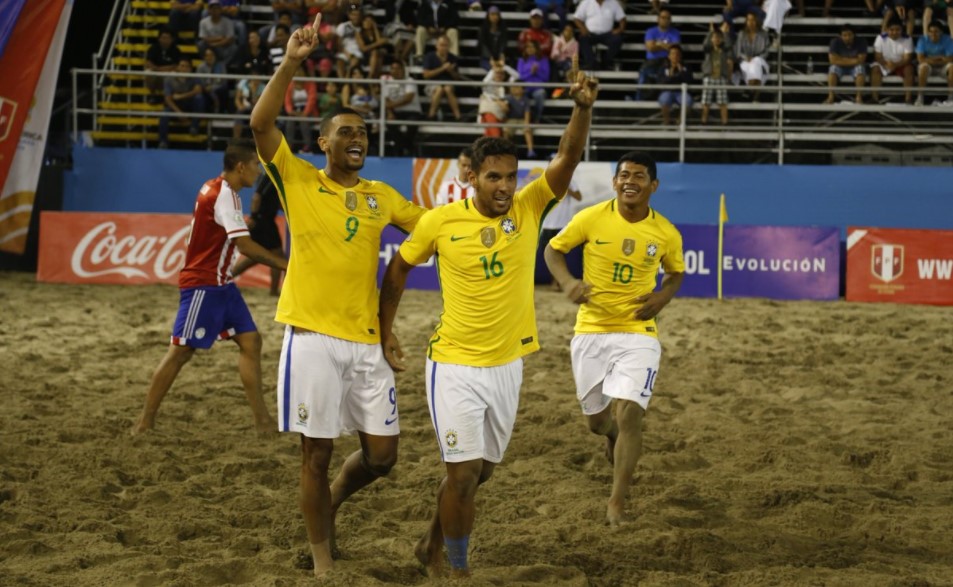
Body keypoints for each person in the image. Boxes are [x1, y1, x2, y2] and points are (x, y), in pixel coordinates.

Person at [377, 66, 599, 579]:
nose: (504, 186)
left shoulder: (529, 207)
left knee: (482, 473)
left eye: (510, 176)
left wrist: (581, 108)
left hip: (508, 365)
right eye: (493, 177)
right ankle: (456, 569)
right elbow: (398, 269)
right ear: (470, 178)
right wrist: (384, 331)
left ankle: (430, 542)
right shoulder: (440, 221)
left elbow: (567, 158)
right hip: (453, 364)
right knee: (461, 476)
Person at [249, 13, 426, 578]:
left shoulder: (382, 195)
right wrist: (291, 62)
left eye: (363, 133)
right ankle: (323, 559)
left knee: (383, 457)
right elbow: (260, 123)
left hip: (367, 341)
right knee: (316, 452)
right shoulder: (298, 178)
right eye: (345, 132)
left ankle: (331, 504)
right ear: (322, 142)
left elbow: (433, 228)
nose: (357, 138)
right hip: (313, 339)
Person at [543, 150, 685, 526]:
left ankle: (617, 502)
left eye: (638, 176)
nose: (629, 182)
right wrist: (568, 282)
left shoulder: (666, 232)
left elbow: (675, 273)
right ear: (614, 182)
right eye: (624, 175)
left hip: (639, 332)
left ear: (653, 185)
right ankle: (610, 435)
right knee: (597, 423)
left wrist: (662, 297)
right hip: (591, 330)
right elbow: (553, 250)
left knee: (631, 413)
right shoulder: (591, 217)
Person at [131, 139, 289, 436]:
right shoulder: (225, 196)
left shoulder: (213, 187)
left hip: (221, 284)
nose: (257, 171)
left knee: (251, 342)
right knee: (180, 352)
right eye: (255, 165)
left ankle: (263, 422)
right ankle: (144, 422)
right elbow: (246, 246)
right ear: (240, 167)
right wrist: (287, 266)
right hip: (204, 286)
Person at [232, 174, 286, 296]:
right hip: (263, 221)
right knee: (277, 255)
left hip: (265, 220)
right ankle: (274, 291)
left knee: (255, 256)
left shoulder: (275, 178)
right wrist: (254, 217)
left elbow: (274, 200)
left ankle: (227, 278)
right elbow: (257, 196)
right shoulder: (270, 176)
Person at [637, 8, 681, 101]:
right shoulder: (650, 31)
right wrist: (666, 45)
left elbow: (674, 48)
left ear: (670, 20)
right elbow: (650, 48)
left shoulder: (675, 32)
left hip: (668, 61)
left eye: (668, 18)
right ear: (658, 19)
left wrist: (658, 44)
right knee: (643, 75)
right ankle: (638, 101)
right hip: (652, 61)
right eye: (663, 17)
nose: (665, 20)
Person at [159, 58, 204, 149]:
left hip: (189, 105)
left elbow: (198, 90)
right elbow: (168, 99)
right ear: (178, 67)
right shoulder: (169, 79)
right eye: (182, 66)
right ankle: (163, 141)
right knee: (164, 113)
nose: (184, 68)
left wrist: (181, 96)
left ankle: (194, 127)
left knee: (199, 98)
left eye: (187, 66)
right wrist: (178, 112)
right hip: (175, 106)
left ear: (190, 69)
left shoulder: (195, 77)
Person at [382, 59, 424, 156]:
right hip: (396, 112)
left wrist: (391, 105)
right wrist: (390, 112)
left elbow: (408, 98)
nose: (395, 71)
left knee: (412, 124)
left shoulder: (410, 81)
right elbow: (386, 99)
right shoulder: (387, 82)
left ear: (403, 70)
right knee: (390, 123)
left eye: (398, 68)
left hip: (412, 111)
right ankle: (406, 148)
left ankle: (402, 148)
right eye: (393, 68)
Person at [573, 0, 626, 71]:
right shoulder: (586, 2)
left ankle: (605, 62)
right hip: (590, 34)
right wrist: (582, 28)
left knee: (618, 39)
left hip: (607, 34)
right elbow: (576, 18)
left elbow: (622, 18)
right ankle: (592, 63)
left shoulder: (613, 2)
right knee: (582, 39)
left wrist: (620, 29)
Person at [871, 19, 914, 104]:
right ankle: (874, 99)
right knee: (875, 69)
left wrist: (895, 65)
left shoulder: (907, 38)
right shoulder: (880, 38)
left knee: (909, 69)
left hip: (901, 64)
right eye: (892, 30)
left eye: (897, 30)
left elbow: (907, 58)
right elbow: (878, 56)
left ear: (902, 30)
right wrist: (886, 64)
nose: (894, 32)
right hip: (885, 63)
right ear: (887, 30)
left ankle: (908, 99)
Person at [422, 35, 464, 121]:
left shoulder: (452, 58)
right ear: (436, 45)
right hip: (433, 84)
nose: (443, 48)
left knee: (447, 88)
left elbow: (457, 78)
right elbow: (426, 75)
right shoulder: (429, 56)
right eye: (441, 45)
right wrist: (442, 68)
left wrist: (451, 71)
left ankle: (458, 116)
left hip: (449, 84)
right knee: (439, 89)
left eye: (446, 45)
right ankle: (431, 115)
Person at [825, 24, 868, 104]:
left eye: (849, 35)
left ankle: (858, 97)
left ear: (854, 35)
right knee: (833, 69)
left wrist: (841, 59)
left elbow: (861, 60)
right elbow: (832, 61)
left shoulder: (861, 41)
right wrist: (853, 59)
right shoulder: (835, 42)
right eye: (844, 35)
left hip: (854, 67)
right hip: (841, 66)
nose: (847, 37)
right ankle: (831, 96)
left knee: (860, 69)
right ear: (840, 36)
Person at [700, 24, 733, 124]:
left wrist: (725, 33)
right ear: (711, 39)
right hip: (709, 77)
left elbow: (729, 45)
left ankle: (725, 124)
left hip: (721, 77)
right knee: (706, 103)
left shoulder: (725, 50)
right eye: (714, 37)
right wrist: (710, 31)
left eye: (719, 37)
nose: (716, 39)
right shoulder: (708, 49)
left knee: (723, 103)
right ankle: (703, 123)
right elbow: (705, 43)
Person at [914, 21, 953, 106]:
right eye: (931, 31)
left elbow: (950, 59)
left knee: (952, 67)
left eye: (936, 31)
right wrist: (940, 58)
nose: (933, 34)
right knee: (923, 67)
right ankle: (920, 97)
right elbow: (920, 59)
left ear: (941, 32)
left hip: (942, 67)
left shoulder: (948, 39)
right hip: (929, 66)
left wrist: (929, 59)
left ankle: (951, 97)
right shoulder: (922, 40)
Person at [735, 11, 771, 102]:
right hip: (745, 61)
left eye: (753, 20)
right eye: (748, 20)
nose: (751, 22)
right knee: (753, 69)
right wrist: (746, 57)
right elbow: (738, 52)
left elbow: (766, 51)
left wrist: (755, 59)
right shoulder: (741, 34)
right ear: (746, 22)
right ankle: (755, 97)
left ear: (757, 21)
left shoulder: (763, 34)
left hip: (760, 60)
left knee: (756, 62)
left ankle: (749, 92)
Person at [478, 58, 518, 137]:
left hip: (502, 114)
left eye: (501, 73)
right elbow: (485, 83)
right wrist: (494, 68)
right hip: (490, 112)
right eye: (497, 73)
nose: (499, 75)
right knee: (496, 135)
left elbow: (517, 76)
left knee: (489, 135)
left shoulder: (507, 84)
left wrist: (504, 66)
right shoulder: (489, 84)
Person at [657, 45, 693, 125]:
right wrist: (670, 75)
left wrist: (681, 72)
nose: (675, 56)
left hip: (681, 92)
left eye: (677, 54)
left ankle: (679, 122)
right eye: (673, 54)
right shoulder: (664, 67)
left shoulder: (686, 67)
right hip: (667, 91)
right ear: (669, 56)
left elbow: (689, 80)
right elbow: (661, 82)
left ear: (680, 56)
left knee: (688, 100)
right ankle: (667, 122)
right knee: (664, 100)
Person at [518, 40, 551, 123]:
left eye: (532, 47)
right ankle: (524, 120)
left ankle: (536, 119)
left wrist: (537, 71)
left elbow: (546, 78)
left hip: (538, 87)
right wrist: (531, 72)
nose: (529, 49)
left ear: (537, 48)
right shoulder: (521, 60)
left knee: (540, 94)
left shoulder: (544, 60)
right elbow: (520, 77)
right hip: (525, 88)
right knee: (520, 95)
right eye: (527, 47)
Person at [144, 28, 182, 99]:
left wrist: (159, 69)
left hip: (169, 72)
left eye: (167, 38)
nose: (165, 40)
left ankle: (169, 97)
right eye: (163, 38)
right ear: (159, 39)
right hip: (156, 72)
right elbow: (148, 62)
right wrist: (155, 69)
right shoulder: (153, 48)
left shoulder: (176, 50)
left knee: (175, 73)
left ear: (172, 39)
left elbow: (175, 66)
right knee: (148, 72)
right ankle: (153, 95)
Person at [199, 0, 238, 65]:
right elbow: (204, 38)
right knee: (201, 44)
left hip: (223, 47)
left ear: (220, 10)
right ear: (209, 10)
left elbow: (230, 39)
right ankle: (207, 63)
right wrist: (220, 38)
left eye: (217, 8)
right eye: (212, 8)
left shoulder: (228, 22)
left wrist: (216, 44)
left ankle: (223, 65)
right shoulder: (203, 22)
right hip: (210, 46)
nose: (215, 10)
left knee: (234, 47)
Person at [478, 5, 510, 71]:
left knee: (504, 68)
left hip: (500, 57)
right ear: (488, 16)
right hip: (486, 58)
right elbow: (483, 45)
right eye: (492, 14)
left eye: (496, 14)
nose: (494, 17)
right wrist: (490, 58)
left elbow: (504, 43)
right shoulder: (483, 29)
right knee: (494, 70)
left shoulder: (503, 28)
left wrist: (501, 54)